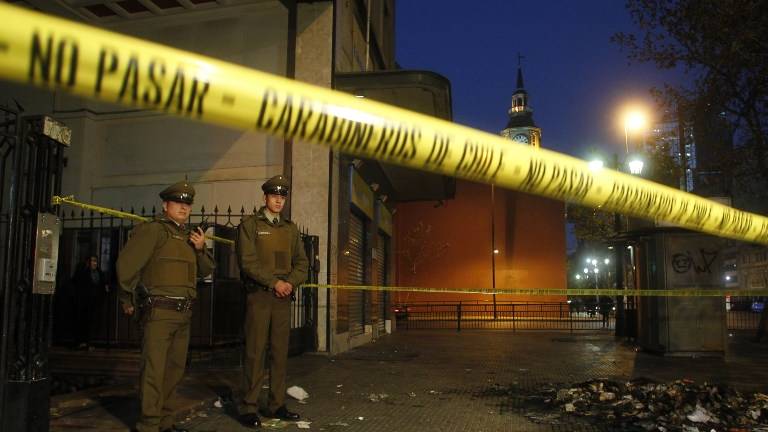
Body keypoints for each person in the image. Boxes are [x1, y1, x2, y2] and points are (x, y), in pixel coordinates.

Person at [117, 180, 214, 432]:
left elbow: (207, 271)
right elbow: (127, 266)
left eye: (187, 203)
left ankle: (165, 421)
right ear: (165, 205)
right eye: (178, 203)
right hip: (159, 312)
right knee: (154, 371)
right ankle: (148, 424)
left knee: (174, 371)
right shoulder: (153, 231)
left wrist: (201, 249)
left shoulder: (190, 236)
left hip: (184, 314)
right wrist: (126, 298)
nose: (183, 207)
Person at [236, 175, 308, 429]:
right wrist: (274, 282)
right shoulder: (250, 225)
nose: (279, 200)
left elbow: (302, 263)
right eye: (274, 196)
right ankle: (248, 406)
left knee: (279, 353)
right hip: (259, 296)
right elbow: (248, 262)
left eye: (282, 197)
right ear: (265, 197)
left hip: (282, 298)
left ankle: (276, 404)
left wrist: (289, 282)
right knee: (255, 352)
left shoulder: (290, 229)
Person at [71, 255, 109, 350]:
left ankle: (89, 342)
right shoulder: (83, 272)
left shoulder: (99, 272)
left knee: (92, 323)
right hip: (84, 302)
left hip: (95, 302)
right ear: (88, 262)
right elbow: (76, 284)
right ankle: (81, 342)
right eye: (93, 261)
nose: (94, 263)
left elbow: (103, 284)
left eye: (96, 261)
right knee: (82, 322)